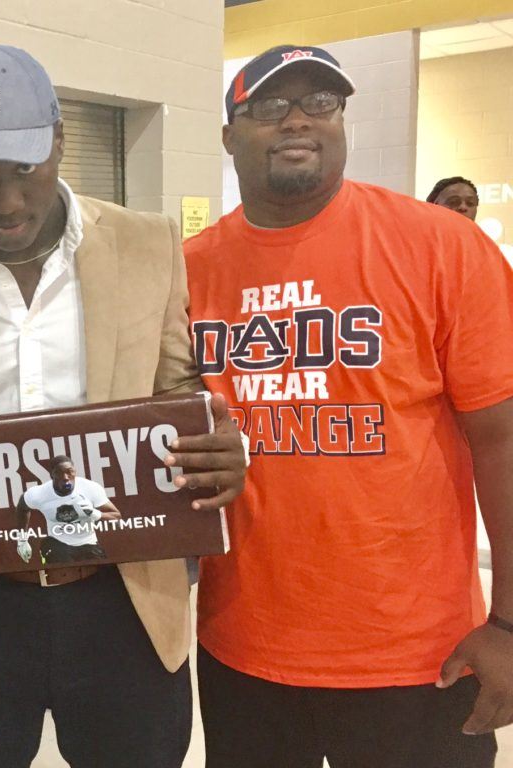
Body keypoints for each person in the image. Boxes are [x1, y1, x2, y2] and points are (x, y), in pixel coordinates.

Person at [0, 41, 246, 768]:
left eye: (24, 170)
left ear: (60, 139)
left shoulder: (150, 244)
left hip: (123, 595)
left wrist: (220, 447)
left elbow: (179, 392)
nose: (5, 202)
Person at [186, 44, 513, 768]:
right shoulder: (186, 271)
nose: (298, 120)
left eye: (321, 102)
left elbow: (503, 442)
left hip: (419, 656)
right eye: (269, 106)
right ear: (228, 134)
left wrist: (511, 625)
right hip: (243, 650)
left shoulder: (442, 247)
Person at [14, 455, 121, 565]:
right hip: (58, 543)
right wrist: (22, 540)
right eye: (59, 473)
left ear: (75, 471)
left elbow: (116, 515)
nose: (65, 477)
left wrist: (96, 514)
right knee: (62, 567)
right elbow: (22, 508)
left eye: (69, 471)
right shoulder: (39, 493)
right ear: (52, 475)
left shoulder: (90, 488)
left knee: (101, 575)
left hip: (88, 543)